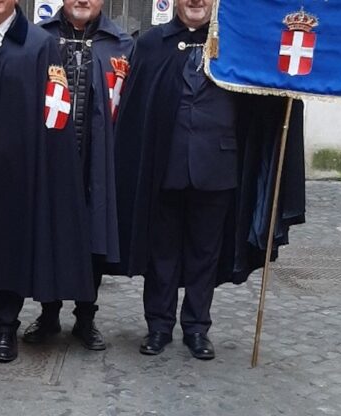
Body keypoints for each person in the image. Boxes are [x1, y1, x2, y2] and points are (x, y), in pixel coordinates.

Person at [114, 0, 305, 360]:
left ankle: (197, 328)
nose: (196, 2)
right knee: (162, 253)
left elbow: (260, 97)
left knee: (205, 253)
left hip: (217, 168)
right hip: (165, 166)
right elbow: (136, 109)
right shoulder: (153, 44)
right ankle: (158, 325)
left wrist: (287, 90)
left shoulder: (236, 44)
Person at [0, 0, 95, 363]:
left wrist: (50, 163)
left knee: (9, 244)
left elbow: (56, 107)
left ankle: (4, 325)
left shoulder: (39, 44)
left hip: (18, 167)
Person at [22, 0, 133, 351]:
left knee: (94, 237)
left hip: (99, 158)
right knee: (51, 232)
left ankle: (86, 317)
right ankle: (48, 312)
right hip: (52, 155)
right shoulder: (39, 39)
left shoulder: (122, 44)